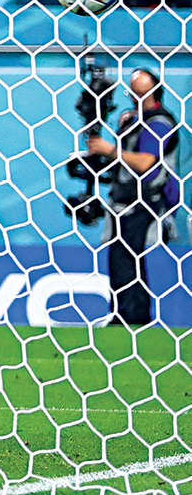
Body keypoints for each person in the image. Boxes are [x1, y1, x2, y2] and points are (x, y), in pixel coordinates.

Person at [86, 69, 180, 326]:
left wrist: (109, 149)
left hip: (147, 200)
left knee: (129, 256)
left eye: (140, 93)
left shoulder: (159, 123)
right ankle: (122, 312)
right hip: (126, 198)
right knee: (120, 256)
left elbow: (146, 163)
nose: (135, 98)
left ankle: (133, 315)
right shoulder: (136, 120)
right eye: (133, 93)